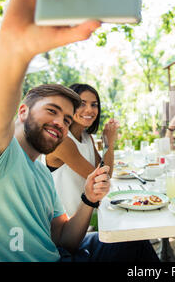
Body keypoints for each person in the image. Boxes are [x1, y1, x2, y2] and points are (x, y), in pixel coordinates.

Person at [0, 0, 159, 262]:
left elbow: (64, 238)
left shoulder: (41, 172)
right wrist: (14, 47)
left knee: (136, 241)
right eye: (52, 111)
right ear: (21, 111)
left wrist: (88, 198)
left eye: (67, 119)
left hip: (61, 254)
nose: (61, 122)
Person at [44, 83, 119, 217]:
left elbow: (106, 173)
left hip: (87, 217)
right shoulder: (62, 140)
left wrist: (108, 143)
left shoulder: (86, 137)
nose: (89, 110)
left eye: (94, 104)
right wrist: (108, 142)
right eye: (82, 104)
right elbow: (100, 179)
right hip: (67, 224)